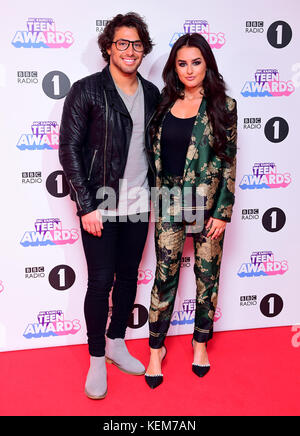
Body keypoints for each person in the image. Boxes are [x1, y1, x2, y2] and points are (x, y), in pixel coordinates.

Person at [59, 12, 160, 399]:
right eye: (122, 43)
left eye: (136, 44)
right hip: (99, 204)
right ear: (108, 47)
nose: (130, 50)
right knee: (101, 281)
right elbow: (68, 149)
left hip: (138, 203)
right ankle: (97, 357)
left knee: (129, 276)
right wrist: (86, 204)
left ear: (143, 49)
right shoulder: (86, 91)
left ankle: (117, 341)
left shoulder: (152, 93)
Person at [144, 33, 237, 389]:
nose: (189, 70)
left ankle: (200, 343)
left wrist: (222, 212)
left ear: (207, 64)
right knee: (164, 276)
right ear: (174, 67)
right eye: (182, 63)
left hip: (208, 205)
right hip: (168, 201)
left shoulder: (223, 106)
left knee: (206, 276)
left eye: (196, 62)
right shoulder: (163, 104)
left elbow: (228, 161)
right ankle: (156, 348)